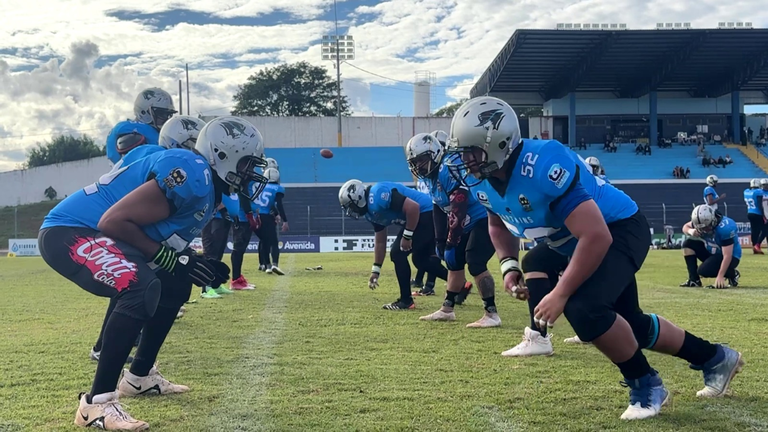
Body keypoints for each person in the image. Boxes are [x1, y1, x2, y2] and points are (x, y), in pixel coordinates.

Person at [446, 96, 744, 420]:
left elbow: (597, 236)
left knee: (584, 308)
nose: (465, 160)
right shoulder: (482, 182)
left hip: (618, 228)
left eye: (471, 151)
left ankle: (645, 384)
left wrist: (560, 294)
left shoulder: (542, 163)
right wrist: (508, 264)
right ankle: (715, 358)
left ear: (499, 143)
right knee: (630, 325)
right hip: (574, 239)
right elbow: (496, 222)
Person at [39, 116, 268, 430]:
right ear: (223, 155)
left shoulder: (205, 187)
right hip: (70, 231)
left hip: (99, 233)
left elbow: (153, 235)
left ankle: (139, 376)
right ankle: (97, 403)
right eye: (247, 164)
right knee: (139, 285)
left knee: (175, 284)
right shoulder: (192, 174)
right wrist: (176, 260)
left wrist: (189, 261)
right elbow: (113, 223)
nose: (250, 173)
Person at [89, 115, 206, 361]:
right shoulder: (162, 159)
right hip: (116, 224)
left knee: (148, 279)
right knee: (135, 280)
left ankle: (128, 349)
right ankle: (105, 348)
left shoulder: (158, 157)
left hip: (122, 220)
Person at [404, 133, 497, 327]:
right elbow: (438, 206)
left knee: (475, 261)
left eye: (422, 160)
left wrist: (450, 241)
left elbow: (459, 206)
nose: (419, 165)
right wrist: (440, 240)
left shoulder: (449, 168)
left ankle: (491, 313)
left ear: (435, 154)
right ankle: (447, 309)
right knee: (453, 262)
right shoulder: (431, 176)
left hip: (484, 217)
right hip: (465, 221)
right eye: (415, 161)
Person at [339, 179, 448, 310]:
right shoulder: (370, 212)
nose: (351, 210)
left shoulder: (378, 194)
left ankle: (406, 300)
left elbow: (413, 207)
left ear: (359, 197)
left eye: (351, 206)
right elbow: (380, 240)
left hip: (427, 212)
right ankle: (458, 285)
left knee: (397, 253)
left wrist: (407, 236)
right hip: (422, 215)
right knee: (420, 261)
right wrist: (376, 270)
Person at [105, 88, 176, 165]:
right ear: (144, 112)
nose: (166, 118)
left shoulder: (153, 132)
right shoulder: (132, 136)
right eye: (161, 113)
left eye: (168, 114)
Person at [680, 205, 741, 289]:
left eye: (706, 227)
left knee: (703, 271)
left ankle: (732, 273)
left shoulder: (725, 227)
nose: (704, 230)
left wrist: (720, 276)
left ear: (712, 220)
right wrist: (691, 231)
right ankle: (694, 280)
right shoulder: (700, 222)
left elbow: (727, 255)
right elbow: (685, 227)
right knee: (688, 244)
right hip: (713, 252)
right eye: (701, 228)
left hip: (730, 256)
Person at [253, 168, 287, 275]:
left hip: (256, 216)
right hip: (267, 217)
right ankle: (275, 265)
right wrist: (284, 219)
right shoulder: (277, 188)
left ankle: (266, 265)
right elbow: (277, 204)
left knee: (264, 241)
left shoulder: (259, 186)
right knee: (273, 242)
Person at [744, 178, 765, 254]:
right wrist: (764, 215)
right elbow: (759, 204)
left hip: (749, 212)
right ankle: (757, 245)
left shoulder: (746, 191)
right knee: (765, 229)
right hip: (757, 213)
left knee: (754, 231)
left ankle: (754, 247)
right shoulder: (758, 192)